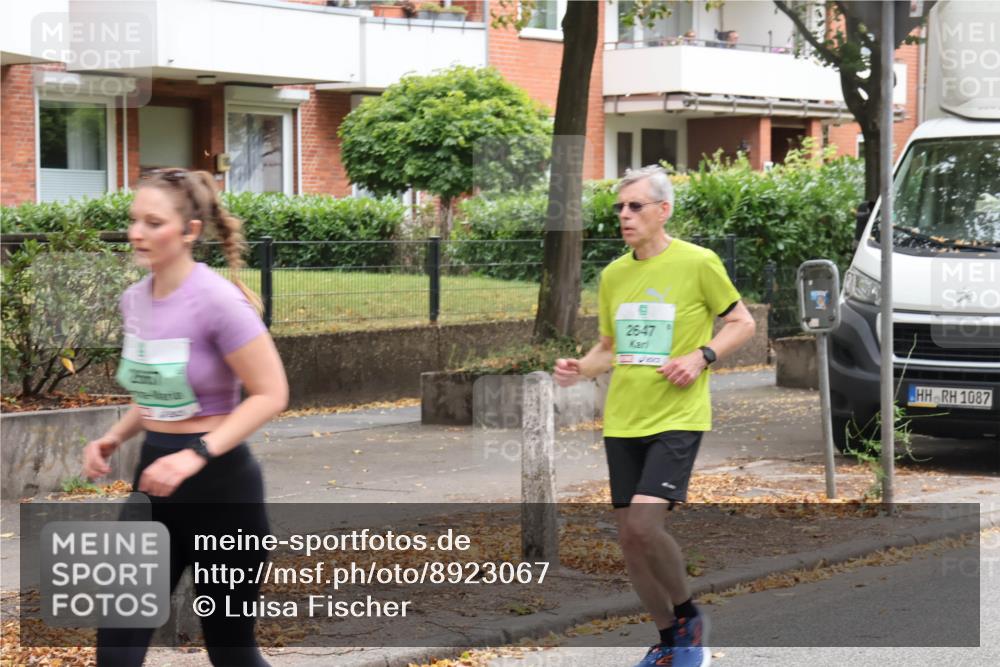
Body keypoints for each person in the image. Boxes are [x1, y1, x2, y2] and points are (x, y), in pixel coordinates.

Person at [82, 168, 289, 666]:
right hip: (153, 486)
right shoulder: (134, 299)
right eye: (135, 221)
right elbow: (160, 389)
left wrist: (194, 455)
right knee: (116, 645)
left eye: (154, 222)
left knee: (230, 651)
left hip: (223, 491)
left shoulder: (219, 301)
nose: (137, 233)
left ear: (190, 231)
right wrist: (114, 436)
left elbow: (271, 393)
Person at [553, 165, 756, 667]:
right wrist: (581, 367)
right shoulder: (615, 274)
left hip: (677, 417)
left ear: (663, 211)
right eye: (620, 207)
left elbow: (741, 322)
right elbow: (608, 348)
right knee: (628, 540)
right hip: (623, 420)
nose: (624, 215)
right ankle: (669, 643)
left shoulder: (698, 263)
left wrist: (701, 356)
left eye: (635, 206)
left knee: (644, 526)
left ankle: (686, 617)